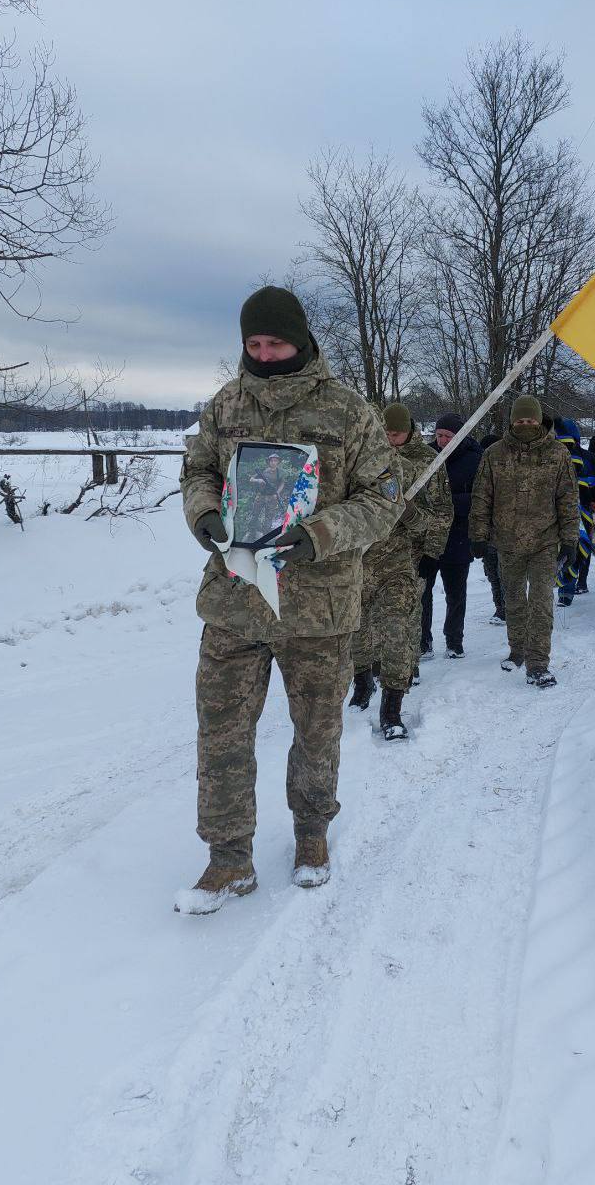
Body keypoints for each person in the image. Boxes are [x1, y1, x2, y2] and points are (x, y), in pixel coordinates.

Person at [178, 286, 403, 910]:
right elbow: (197, 471)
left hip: (317, 609)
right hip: (235, 601)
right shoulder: (226, 405)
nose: (263, 354)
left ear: (300, 339)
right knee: (221, 732)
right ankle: (228, 859)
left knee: (317, 729)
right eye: (253, 343)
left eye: (275, 342)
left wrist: (320, 534)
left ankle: (311, 835)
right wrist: (203, 513)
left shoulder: (348, 411)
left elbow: (384, 498)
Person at [349, 403, 452, 739]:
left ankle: (392, 706)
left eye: (396, 433)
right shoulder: (359, 460)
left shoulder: (421, 464)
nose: (391, 439)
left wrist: (426, 543)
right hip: (359, 560)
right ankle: (362, 682)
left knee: (398, 628)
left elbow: (438, 515)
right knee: (358, 627)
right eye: (386, 434)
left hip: (401, 560)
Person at [469, 395, 578, 687]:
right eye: (520, 420)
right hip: (507, 542)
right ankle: (517, 649)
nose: (525, 424)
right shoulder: (494, 454)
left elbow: (568, 499)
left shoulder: (557, 453)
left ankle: (538, 663)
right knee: (514, 600)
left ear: (539, 421)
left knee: (541, 602)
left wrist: (570, 540)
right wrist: (478, 534)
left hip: (545, 542)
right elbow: (482, 497)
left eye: (530, 420)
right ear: (512, 422)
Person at [419, 413, 482, 659]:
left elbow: (481, 496)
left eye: (447, 436)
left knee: (456, 592)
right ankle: (423, 641)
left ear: (459, 436)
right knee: (422, 592)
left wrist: (448, 504)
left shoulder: (474, 458)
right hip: (427, 535)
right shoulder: (426, 456)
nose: (442, 440)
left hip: (458, 534)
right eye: (439, 435)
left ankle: (454, 641)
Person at [554, 417, 595, 605]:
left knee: (576, 547)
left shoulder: (586, 457)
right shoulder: (554, 455)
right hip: (568, 508)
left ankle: (573, 585)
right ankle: (570, 587)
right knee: (573, 547)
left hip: (582, 509)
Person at [478, 432, 507, 625]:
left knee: (505, 574)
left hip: (506, 534)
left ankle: (509, 608)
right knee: (493, 574)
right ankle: (500, 608)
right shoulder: (480, 473)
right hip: (488, 534)